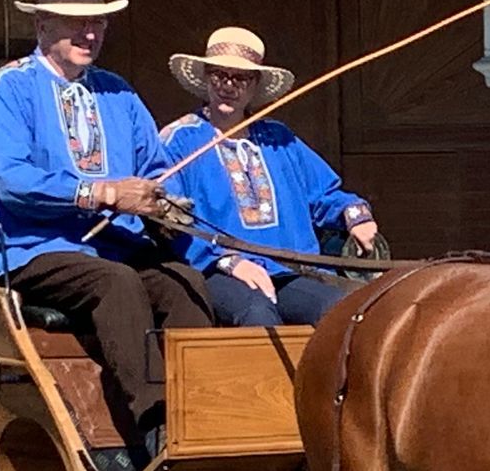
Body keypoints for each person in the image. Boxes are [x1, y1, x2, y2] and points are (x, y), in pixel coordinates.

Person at [0, 0, 214, 471]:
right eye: (75, 23)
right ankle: (155, 429)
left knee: (185, 283)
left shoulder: (118, 93)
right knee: (117, 284)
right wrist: (100, 192)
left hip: (118, 247)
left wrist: (165, 199)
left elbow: (155, 169)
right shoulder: (7, 89)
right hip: (35, 250)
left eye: (98, 23)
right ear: (42, 27)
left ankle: (204, 420)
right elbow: (12, 179)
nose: (89, 32)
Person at [159, 27, 378, 326]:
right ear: (206, 77)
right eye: (219, 75)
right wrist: (228, 261)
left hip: (290, 269)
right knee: (257, 312)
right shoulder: (180, 140)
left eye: (241, 77)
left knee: (342, 310)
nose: (228, 86)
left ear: (255, 85)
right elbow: (168, 218)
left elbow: (325, 194)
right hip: (217, 270)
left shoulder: (279, 138)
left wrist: (355, 215)